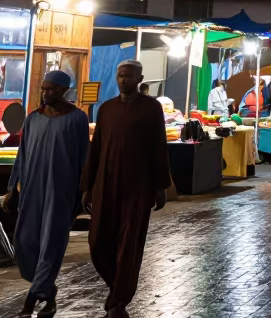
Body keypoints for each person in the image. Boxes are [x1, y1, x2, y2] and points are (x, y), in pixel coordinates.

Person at [80, 60, 170, 318]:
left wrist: (161, 186)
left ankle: (118, 303)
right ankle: (117, 290)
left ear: (140, 78)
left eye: (128, 76)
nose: (123, 80)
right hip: (106, 185)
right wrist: (87, 187)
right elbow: (95, 149)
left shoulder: (151, 109)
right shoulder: (106, 109)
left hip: (138, 187)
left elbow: (158, 148)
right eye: (120, 76)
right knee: (97, 243)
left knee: (129, 245)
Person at [3, 71, 89, 317]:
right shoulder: (32, 119)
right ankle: (48, 293)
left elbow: (85, 157)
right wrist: (12, 188)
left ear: (64, 90)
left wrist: (84, 192)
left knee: (51, 244)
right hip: (32, 189)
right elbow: (23, 156)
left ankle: (29, 303)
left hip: (61, 191)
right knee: (26, 241)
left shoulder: (77, 119)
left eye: (51, 89)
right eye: (43, 89)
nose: (45, 93)